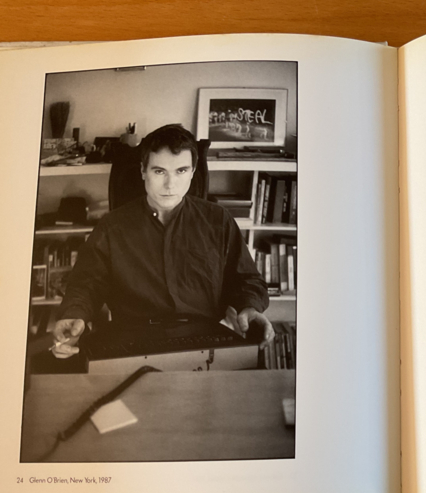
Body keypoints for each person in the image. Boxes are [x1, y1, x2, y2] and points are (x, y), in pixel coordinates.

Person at [51, 124, 274, 358]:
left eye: (181, 171)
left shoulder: (218, 220)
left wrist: (250, 307)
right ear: (143, 171)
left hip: (203, 341)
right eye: (159, 171)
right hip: (133, 342)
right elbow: (86, 283)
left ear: (193, 171)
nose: (170, 184)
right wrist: (75, 314)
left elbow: (246, 279)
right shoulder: (111, 226)